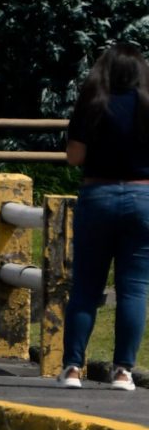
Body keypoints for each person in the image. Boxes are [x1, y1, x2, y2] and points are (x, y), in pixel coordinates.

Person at [58, 44, 149, 391]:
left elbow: (74, 157)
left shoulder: (92, 104)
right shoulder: (147, 105)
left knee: (86, 286)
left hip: (98, 195)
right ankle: (123, 371)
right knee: (134, 289)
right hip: (143, 197)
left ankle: (72, 368)